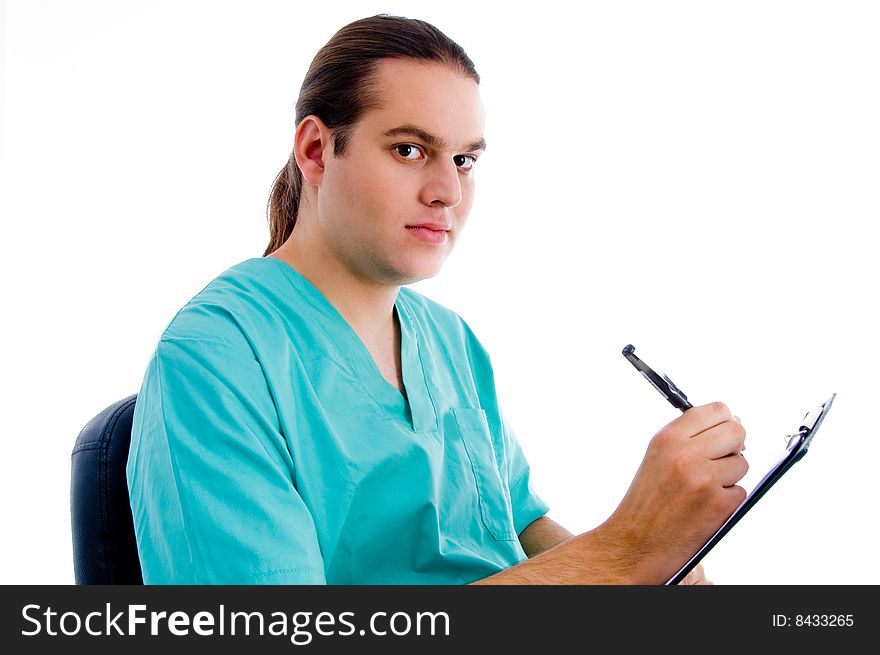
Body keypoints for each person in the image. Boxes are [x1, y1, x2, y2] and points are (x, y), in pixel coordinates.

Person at [126, 14, 748, 585]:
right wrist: (625, 550)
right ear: (317, 151)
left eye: (465, 159)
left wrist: (658, 569)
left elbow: (521, 530)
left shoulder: (451, 342)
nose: (447, 190)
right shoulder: (217, 358)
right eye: (409, 150)